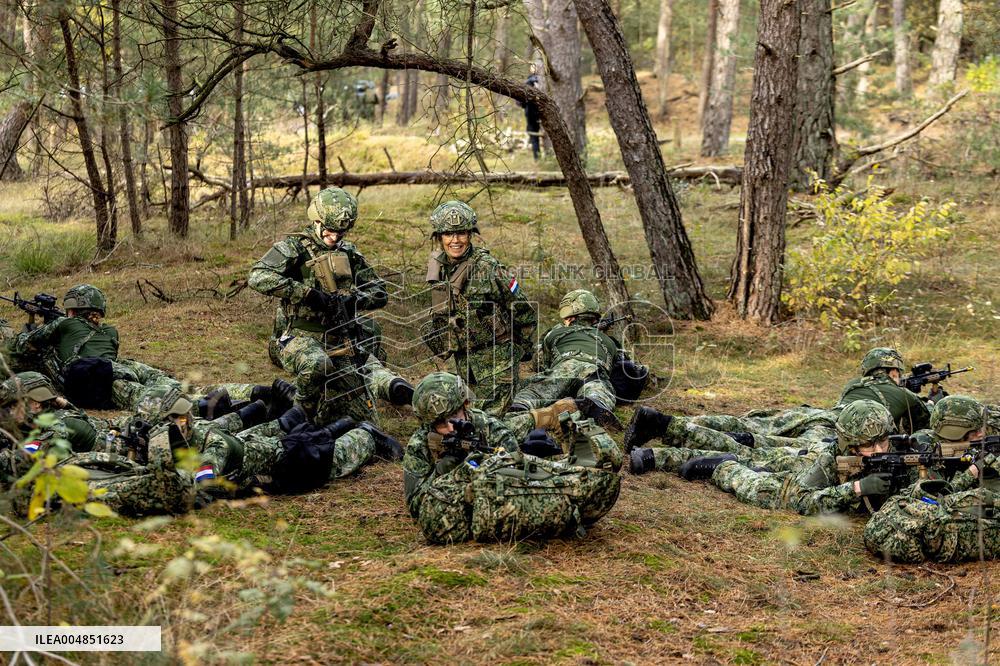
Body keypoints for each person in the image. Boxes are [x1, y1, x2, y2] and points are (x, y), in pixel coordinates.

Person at [248, 187, 412, 425]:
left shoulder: (349, 253)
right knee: (318, 364)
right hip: (296, 337)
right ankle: (297, 418)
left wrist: (355, 299)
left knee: (365, 418)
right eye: (329, 230)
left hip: (338, 340)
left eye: (340, 233)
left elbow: (379, 291)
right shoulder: (294, 248)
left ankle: (317, 407)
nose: (334, 237)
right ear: (316, 219)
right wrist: (305, 293)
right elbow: (257, 276)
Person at [402, 372, 621, 544]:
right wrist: (443, 469)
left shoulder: (488, 427)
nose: (450, 428)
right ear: (428, 424)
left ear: (465, 406)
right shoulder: (420, 444)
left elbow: (514, 469)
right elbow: (416, 505)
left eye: (454, 417)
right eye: (441, 424)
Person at [676, 400, 901, 516]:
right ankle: (722, 465)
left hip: (804, 459)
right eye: (869, 445)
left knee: (775, 460)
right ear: (850, 445)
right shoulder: (831, 460)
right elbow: (801, 500)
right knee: (761, 489)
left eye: (883, 441)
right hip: (798, 482)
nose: (880, 450)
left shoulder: (895, 450)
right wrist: (857, 489)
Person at [420, 201, 537, 414]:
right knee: (464, 424)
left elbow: (523, 309)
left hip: (497, 362)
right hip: (464, 364)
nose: (455, 240)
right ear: (439, 237)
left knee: (489, 427)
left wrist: (522, 350)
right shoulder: (438, 268)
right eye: (448, 234)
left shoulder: (488, 268)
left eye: (461, 233)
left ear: (470, 235)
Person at [11, 284, 181, 410]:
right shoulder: (110, 331)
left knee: (142, 398)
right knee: (161, 379)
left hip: (97, 374)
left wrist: (37, 325)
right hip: (118, 366)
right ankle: (196, 394)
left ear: (73, 308)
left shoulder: (63, 323)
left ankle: (200, 406)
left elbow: (22, 345)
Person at [510, 289, 623, 432]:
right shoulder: (609, 342)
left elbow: (540, 363)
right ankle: (590, 403)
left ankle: (521, 405)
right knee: (599, 394)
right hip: (594, 372)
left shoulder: (556, 333)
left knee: (536, 392)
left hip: (566, 367)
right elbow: (616, 367)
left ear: (569, 316)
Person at [833, 347, 930, 434]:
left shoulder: (852, 384)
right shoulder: (905, 394)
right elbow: (925, 426)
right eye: (899, 374)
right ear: (894, 373)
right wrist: (930, 403)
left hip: (829, 421)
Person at [520, 71, 542, 160]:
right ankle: (538, 157)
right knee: (534, 135)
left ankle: (537, 157)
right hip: (536, 115)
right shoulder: (537, 82)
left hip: (532, 116)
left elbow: (521, 104)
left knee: (534, 136)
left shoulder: (527, 85)